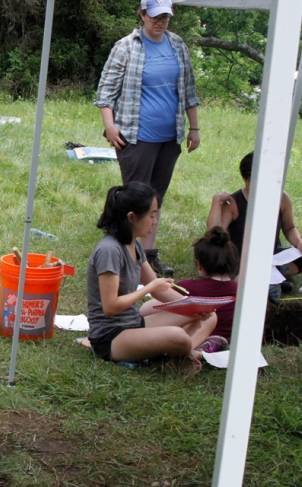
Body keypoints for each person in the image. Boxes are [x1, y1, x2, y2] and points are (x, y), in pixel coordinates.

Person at [94, 0, 201, 277]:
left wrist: (194, 128)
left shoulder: (177, 45)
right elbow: (105, 92)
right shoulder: (126, 46)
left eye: (165, 16)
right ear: (142, 14)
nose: (160, 21)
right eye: (154, 16)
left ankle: (148, 255)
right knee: (136, 200)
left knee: (156, 199)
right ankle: (127, 257)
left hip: (169, 137)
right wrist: (110, 127)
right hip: (135, 135)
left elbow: (189, 90)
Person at [86, 182, 218, 373]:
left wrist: (194, 308)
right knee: (177, 336)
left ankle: (176, 355)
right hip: (111, 337)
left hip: (134, 324)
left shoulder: (134, 244)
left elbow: (158, 288)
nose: (155, 220)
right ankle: (194, 354)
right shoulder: (110, 250)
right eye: (151, 215)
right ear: (132, 217)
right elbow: (110, 307)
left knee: (209, 317)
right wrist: (148, 289)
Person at [207, 151, 302, 280]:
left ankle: (271, 275)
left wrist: (298, 242)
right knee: (221, 266)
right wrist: (217, 202)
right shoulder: (234, 203)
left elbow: (289, 228)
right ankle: (268, 278)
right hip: (240, 259)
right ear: (245, 179)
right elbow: (214, 234)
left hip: (270, 256)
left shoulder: (282, 198)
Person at [176, 226, 239, 345]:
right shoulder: (241, 292)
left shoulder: (187, 287)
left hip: (189, 337)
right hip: (226, 340)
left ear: (199, 265)